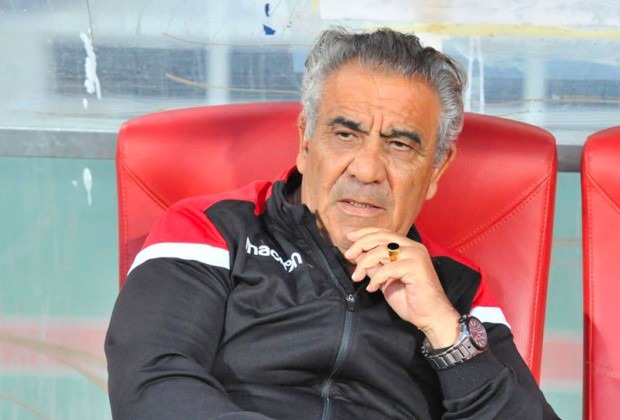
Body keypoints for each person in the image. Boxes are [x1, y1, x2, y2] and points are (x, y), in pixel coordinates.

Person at [105, 27, 559, 419]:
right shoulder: (209, 231)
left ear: (437, 168)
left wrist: (445, 332)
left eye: (399, 145)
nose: (367, 170)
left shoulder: (455, 286)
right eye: (345, 135)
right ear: (306, 141)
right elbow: (151, 385)